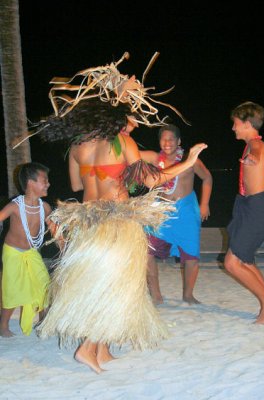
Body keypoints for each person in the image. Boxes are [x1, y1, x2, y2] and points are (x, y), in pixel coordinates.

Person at [34, 57, 208, 374]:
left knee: (101, 283)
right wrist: (189, 160)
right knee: (114, 286)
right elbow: (154, 180)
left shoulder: (78, 146)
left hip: (88, 221)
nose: (134, 122)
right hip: (117, 222)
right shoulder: (124, 143)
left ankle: (101, 349)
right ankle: (87, 348)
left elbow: (76, 184)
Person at [223, 101, 264, 324]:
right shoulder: (250, 144)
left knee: (232, 263)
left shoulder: (258, 146)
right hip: (249, 207)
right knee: (245, 261)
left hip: (257, 209)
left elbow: (258, 154)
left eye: (236, 124)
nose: (233, 128)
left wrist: (253, 159)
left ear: (248, 124)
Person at [139, 124, 213, 304]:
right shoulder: (155, 159)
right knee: (147, 251)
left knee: (191, 255)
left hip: (186, 210)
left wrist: (204, 204)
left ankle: (188, 295)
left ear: (179, 141)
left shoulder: (190, 159)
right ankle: (156, 294)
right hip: (161, 211)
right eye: (163, 138)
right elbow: (130, 153)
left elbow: (207, 178)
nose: (167, 142)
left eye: (171, 138)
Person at [0, 162, 51, 337]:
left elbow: (54, 227)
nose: (48, 184)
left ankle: (44, 321)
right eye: (44, 180)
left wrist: (64, 243)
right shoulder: (15, 206)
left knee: (43, 283)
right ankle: (3, 325)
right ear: (31, 183)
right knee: (12, 288)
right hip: (13, 252)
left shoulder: (44, 207)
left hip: (31, 252)